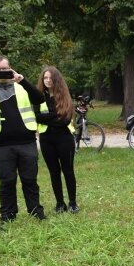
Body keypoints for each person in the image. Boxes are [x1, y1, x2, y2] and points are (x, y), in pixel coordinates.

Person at [0, 55, 46, 222]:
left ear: (10, 68)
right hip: (0, 144)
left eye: (4, 69)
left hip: (26, 142)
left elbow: (39, 98)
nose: (1, 72)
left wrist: (23, 81)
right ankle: (8, 214)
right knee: (7, 181)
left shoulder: (21, 86)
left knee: (30, 179)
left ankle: (36, 211)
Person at [36, 66, 79, 214]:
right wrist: (54, 115)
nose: (47, 80)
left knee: (68, 171)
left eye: (50, 78)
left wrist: (46, 118)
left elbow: (65, 120)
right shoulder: (38, 96)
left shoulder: (64, 95)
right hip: (46, 139)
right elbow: (36, 116)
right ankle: (60, 203)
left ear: (56, 80)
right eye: (45, 78)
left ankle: (72, 202)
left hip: (64, 138)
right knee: (54, 172)